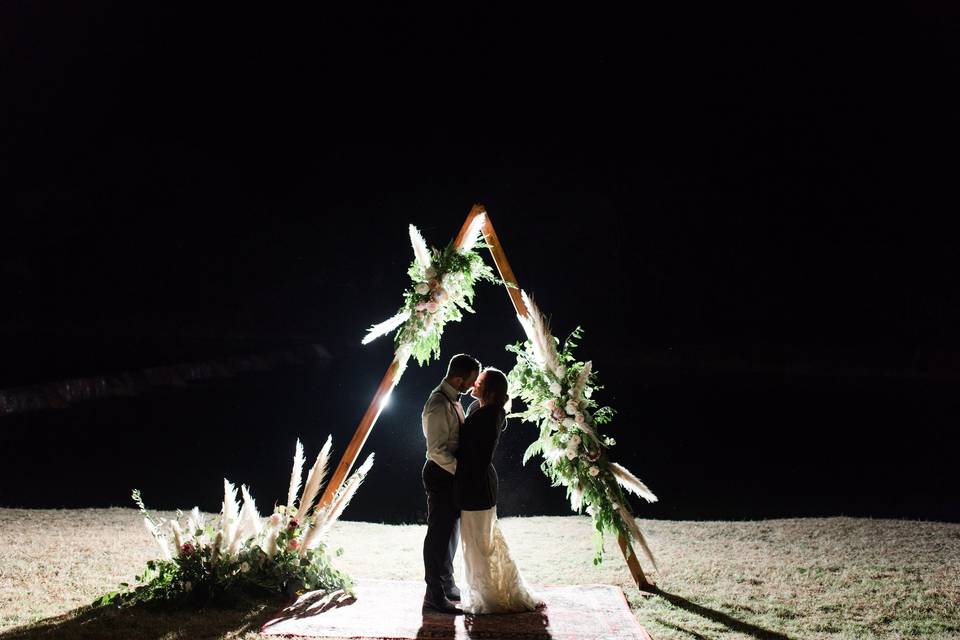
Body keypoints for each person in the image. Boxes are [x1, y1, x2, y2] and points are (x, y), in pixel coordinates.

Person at [455, 367, 543, 614]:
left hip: (478, 484)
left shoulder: (491, 415)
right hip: (477, 482)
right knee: (476, 541)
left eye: (480, 382)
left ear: (491, 391)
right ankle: (484, 589)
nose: (474, 384)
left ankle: (490, 595)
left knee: (479, 542)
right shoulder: (480, 409)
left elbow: (475, 454)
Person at [421, 353, 480, 613]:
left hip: (451, 476)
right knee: (438, 535)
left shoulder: (452, 399)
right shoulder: (437, 404)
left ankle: (446, 584)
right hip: (440, 474)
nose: (473, 386)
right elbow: (435, 451)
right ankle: (433, 594)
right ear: (458, 379)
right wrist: (461, 472)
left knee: (451, 535)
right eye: (471, 380)